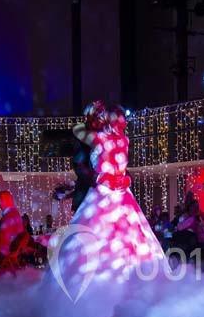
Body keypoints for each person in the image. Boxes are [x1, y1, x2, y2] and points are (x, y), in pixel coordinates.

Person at [57, 100, 165, 283]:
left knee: (121, 233)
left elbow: (118, 162)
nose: (121, 126)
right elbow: (79, 144)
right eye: (117, 122)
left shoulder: (113, 138)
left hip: (114, 192)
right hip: (102, 191)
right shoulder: (104, 138)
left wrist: (120, 177)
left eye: (123, 123)